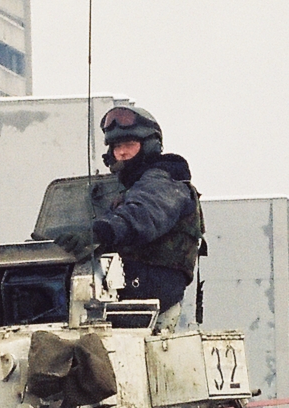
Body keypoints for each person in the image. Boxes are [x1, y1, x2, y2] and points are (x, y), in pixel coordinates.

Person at [52, 105, 204, 313]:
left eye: (129, 145)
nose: (122, 152)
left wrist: (99, 232)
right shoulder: (123, 187)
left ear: (149, 146)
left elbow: (142, 215)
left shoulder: (165, 179)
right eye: (116, 147)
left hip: (154, 278)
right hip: (128, 274)